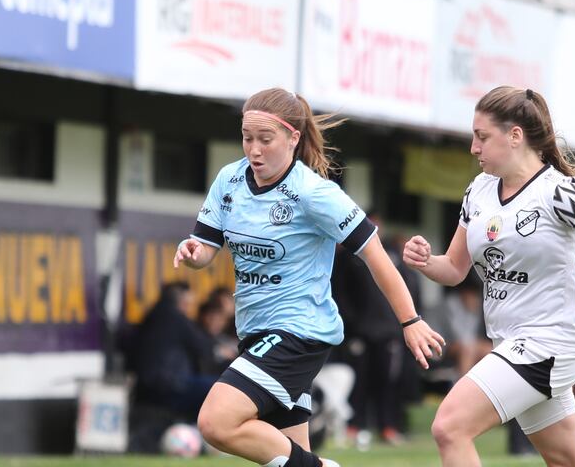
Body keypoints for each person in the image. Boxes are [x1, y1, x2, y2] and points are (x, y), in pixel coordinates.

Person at [174, 87, 444, 467]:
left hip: (299, 332)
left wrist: (410, 320)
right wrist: (192, 252)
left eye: (265, 139)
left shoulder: (314, 193)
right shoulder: (229, 181)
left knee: (216, 421)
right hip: (255, 331)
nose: (254, 150)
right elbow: (205, 247)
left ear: (293, 138)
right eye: (247, 138)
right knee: (288, 454)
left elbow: (378, 257)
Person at [402, 86, 575, 467]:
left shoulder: (560, 192)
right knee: (571, 459)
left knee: (449, 427)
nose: (473, 147)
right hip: (511, 344)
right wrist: (425, 261)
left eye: (482, 136)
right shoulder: (478, 192)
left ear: (515, 135)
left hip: (549, 343)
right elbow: (453, 269)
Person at [333, 214, 419, 447]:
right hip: (359, 332)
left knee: (387, 381)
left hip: (388, 331)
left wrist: (405, 322)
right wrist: (351, 323)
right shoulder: (349, 257)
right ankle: (355, 425)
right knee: (357, 381)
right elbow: (339, 292)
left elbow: (408, 285)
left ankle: (388, 427)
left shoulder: (391, 255)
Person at [130, 282, 218, 419]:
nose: (188, 307)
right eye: (187, 303)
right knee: (220, 388)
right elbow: (203, 347)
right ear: (181, 301)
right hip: (169, 386)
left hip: (147, 386)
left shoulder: (153, 314)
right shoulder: (174, 316)